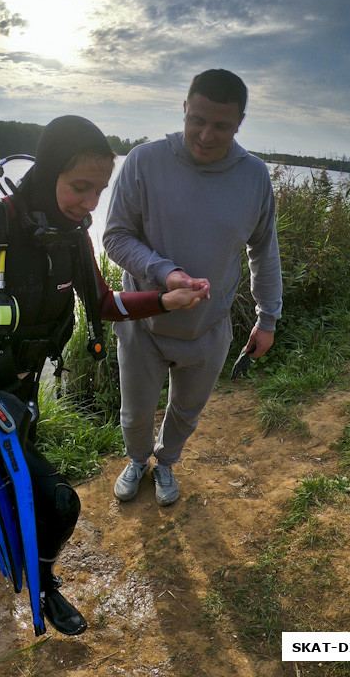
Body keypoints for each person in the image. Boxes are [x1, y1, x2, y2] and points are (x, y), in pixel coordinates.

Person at [0, 115, 207, 636]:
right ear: (50, 170)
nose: (90, 204)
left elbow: (103, 301)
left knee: (4, 485)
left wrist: (163, 300)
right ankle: (43, 583)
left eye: (99, 191)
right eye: (80, 187)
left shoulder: (72, 238)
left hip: (22, 398)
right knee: (57, 503)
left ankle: (11, 560)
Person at [103, 69, 283, 507]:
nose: (205, 135)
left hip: (209, 326)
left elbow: (263, 251)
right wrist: (164, 273)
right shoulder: (144, 161)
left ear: (239, 122)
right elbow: (115, 236)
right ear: (184, 108)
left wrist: (267, 318)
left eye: (221, 125)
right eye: (197, 120)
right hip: (143, 321)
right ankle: (137, 459)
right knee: (135, 412)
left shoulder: (255, 177)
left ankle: (166, 462)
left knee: (187, 411)